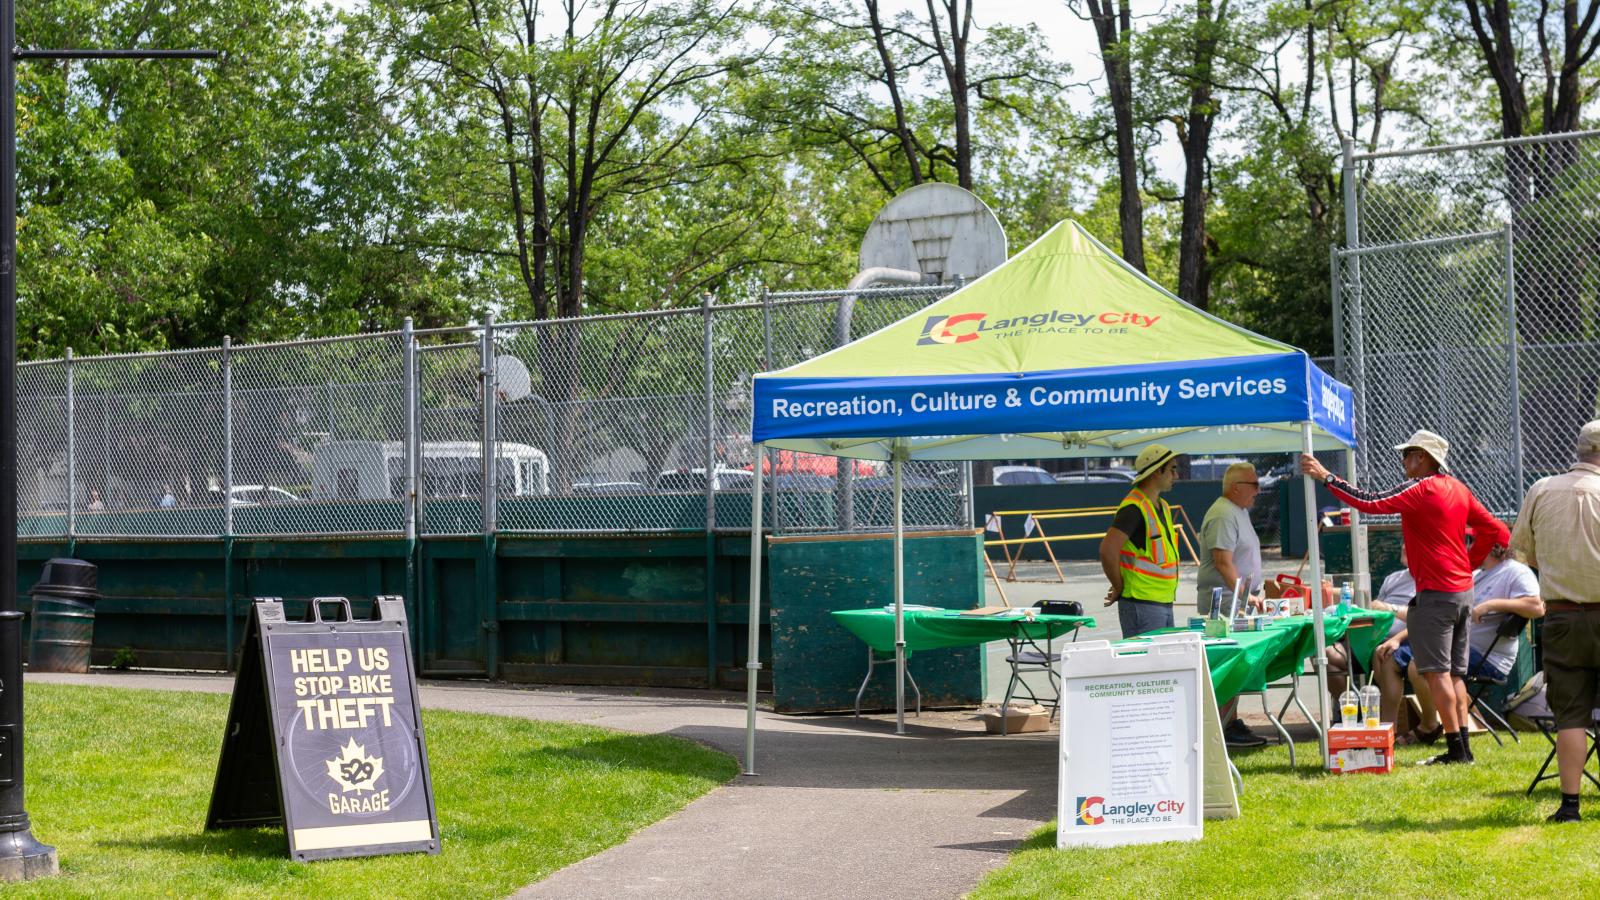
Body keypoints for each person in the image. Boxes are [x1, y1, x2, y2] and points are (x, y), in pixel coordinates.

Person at [1301, 428, 1509, 766]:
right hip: (1462, 593)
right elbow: (1498, 531)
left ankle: (1457, 751)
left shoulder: (1420, 487)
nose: (1403, 461)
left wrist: (1326, 477)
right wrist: (1469, 565)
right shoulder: (1457, 488)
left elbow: (1368, 502)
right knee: (1454, 675)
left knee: (1437, 674)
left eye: (1407, 455)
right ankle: (1463, 750)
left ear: (1422, 458)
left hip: (1436, 594)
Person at [1510, 419, 1600, 822]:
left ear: (1580, 450)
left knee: (1571, 716)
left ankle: (1570, 805)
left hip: (1561, 616)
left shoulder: (1541, 489)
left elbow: (1524, 553)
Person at [1386, 546, 1542, 748]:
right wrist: (1398, 638)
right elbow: (1441, 617)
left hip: (1488, 657)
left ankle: (1429, 726)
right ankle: (1389, 730)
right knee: (1392, 657)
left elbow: (1537, 607)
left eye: (1473, 540)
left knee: (1421, 666)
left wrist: (1490, 605)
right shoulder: (1476, 574)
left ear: (1492, 546)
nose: (1468, 546)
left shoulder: (1515, 571)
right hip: (1456, 646)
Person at [1196, 462, 1268, 747]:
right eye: (1254, 485)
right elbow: (1224, 562)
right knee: (1228, 663)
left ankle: (1231, 721)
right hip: (1224, 606)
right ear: (1236, 487)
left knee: (1236, 666)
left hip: (1237, 603)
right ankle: (1224, 726)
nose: (1259, 491)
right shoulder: (1223, 514)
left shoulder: (1237, 511)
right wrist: (1245, 597)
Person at [1099, 444, 1181, 639]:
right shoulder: (1134, 508)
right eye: (1172, 469)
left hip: (1159, 603)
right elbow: (1107, 551)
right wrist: (1119, 586)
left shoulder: (1162, 507)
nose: (1176, 476)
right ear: (1156, 471)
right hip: (1142, 605)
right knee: (1148, 666)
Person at [1333, 545, 1415, 732]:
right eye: (1403, 542)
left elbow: (1426, 618)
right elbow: (1373, 611)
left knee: (1384, 655)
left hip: (1402, 641)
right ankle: (1355, 715)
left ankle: (1387, 728)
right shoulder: (1393, 578)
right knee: (1327, 656)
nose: (1404, 546)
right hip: (1372, 637)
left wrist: (1389, 609)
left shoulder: (1429, 580)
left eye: (1409, 542)